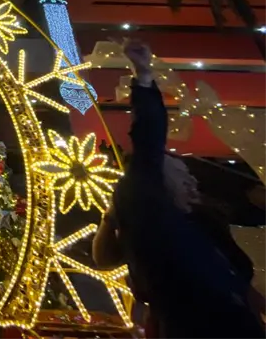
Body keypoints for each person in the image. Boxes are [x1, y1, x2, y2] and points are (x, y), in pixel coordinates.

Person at [92, 40, 265, 339]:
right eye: (180, 171)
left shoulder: (202, 225)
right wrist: (143, 77)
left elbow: (241, 288)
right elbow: (148, 143)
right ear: (154, 184)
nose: (191, 178)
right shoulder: (158, 225)